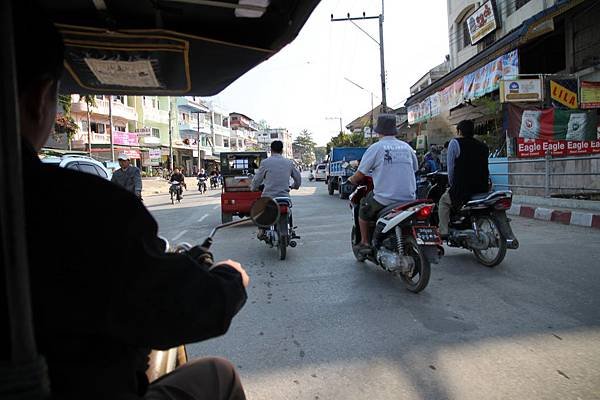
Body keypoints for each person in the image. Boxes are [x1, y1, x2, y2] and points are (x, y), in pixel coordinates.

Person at [15, 4, 249, 399]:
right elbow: (180, 309)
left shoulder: (116, 186)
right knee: (219, 374)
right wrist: (231, 280)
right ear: (41, 98)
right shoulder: (80, 206)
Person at [348, 114, 419, 253]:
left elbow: (360, 174)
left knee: (363, 208)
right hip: (410, 198)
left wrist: (351, 180)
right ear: (395, 130)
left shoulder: (376, 148)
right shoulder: (407, 147)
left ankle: (365, 242)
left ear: (378, 131)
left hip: (385, 199)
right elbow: (415, 168)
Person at [438, 119, 490, 239]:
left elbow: (451, 169)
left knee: (443, 202)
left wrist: (452, 186)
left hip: (463, 188)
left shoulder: (454, 143)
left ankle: (443, 231)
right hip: (482, 188)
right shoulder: (483, 146)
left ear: (459, 131)